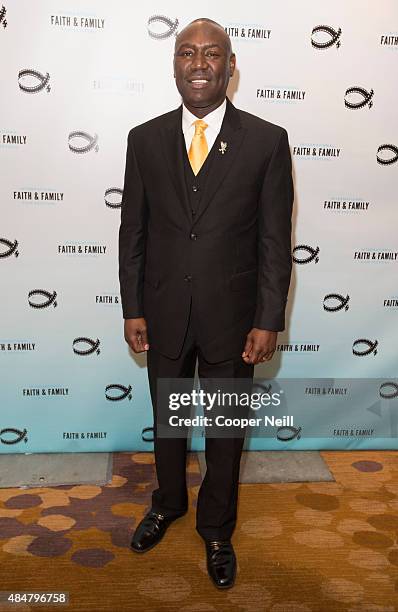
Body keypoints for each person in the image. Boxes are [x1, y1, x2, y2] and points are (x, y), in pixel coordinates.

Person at [118, 17, 293, 589]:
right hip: (163, 311)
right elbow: (133, 233)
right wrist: (132, 307)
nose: (199, 63)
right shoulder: (143, 139)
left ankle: (217, 528)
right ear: (174, 65)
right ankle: (168, 502)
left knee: (224, 432)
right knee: (168, 425)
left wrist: (269, 318)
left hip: (235, 320)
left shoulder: (267, 141)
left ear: (230, 64)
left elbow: (274, 240)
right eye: (187, 53)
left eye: (211, 54)